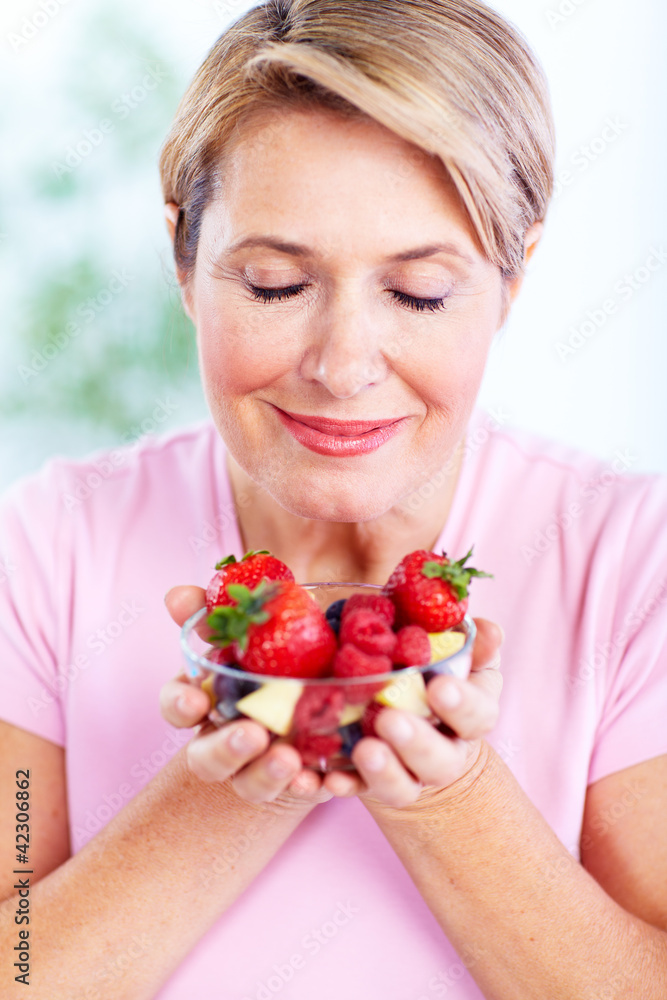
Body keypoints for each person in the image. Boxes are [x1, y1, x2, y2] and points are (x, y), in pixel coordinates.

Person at [1, 1, 666, 997]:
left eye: (419, 292)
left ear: (513, 279)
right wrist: (245, 774)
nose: (344, 366)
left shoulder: (634, 561)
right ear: (184, 260)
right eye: (274, 284)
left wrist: (446, 794)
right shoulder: (45, 547)